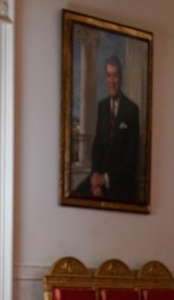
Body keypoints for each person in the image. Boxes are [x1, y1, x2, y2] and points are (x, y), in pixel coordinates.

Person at [74, 54, 140, 202]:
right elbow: (97, 147)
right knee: (75, 195)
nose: (112, 81)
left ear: (121, 78)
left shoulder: (131, 110)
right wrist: (96, 181)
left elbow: (131, 160)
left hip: (119, 184)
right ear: (106, 78)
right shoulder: (102, 107)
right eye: (109, 76)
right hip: (99, 180)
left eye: (115, 76)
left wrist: (105, 179)